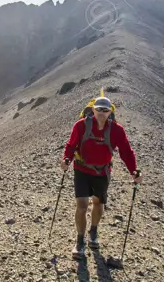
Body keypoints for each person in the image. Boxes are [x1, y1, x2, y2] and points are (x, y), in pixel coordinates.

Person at [60, 96, 141, 258]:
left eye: (105, 110)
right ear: (93, 110)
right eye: (98, 109)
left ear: (110, 111)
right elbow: (71, 144)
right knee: (82, 205)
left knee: (98, 202)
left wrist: (134, 171)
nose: (101, 113)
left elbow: (126, 151)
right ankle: (80, 241)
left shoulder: (117, 130)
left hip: (102, 172)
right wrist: (66, 159)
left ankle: (94, 231)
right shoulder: (81, 126)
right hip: (82, 169)